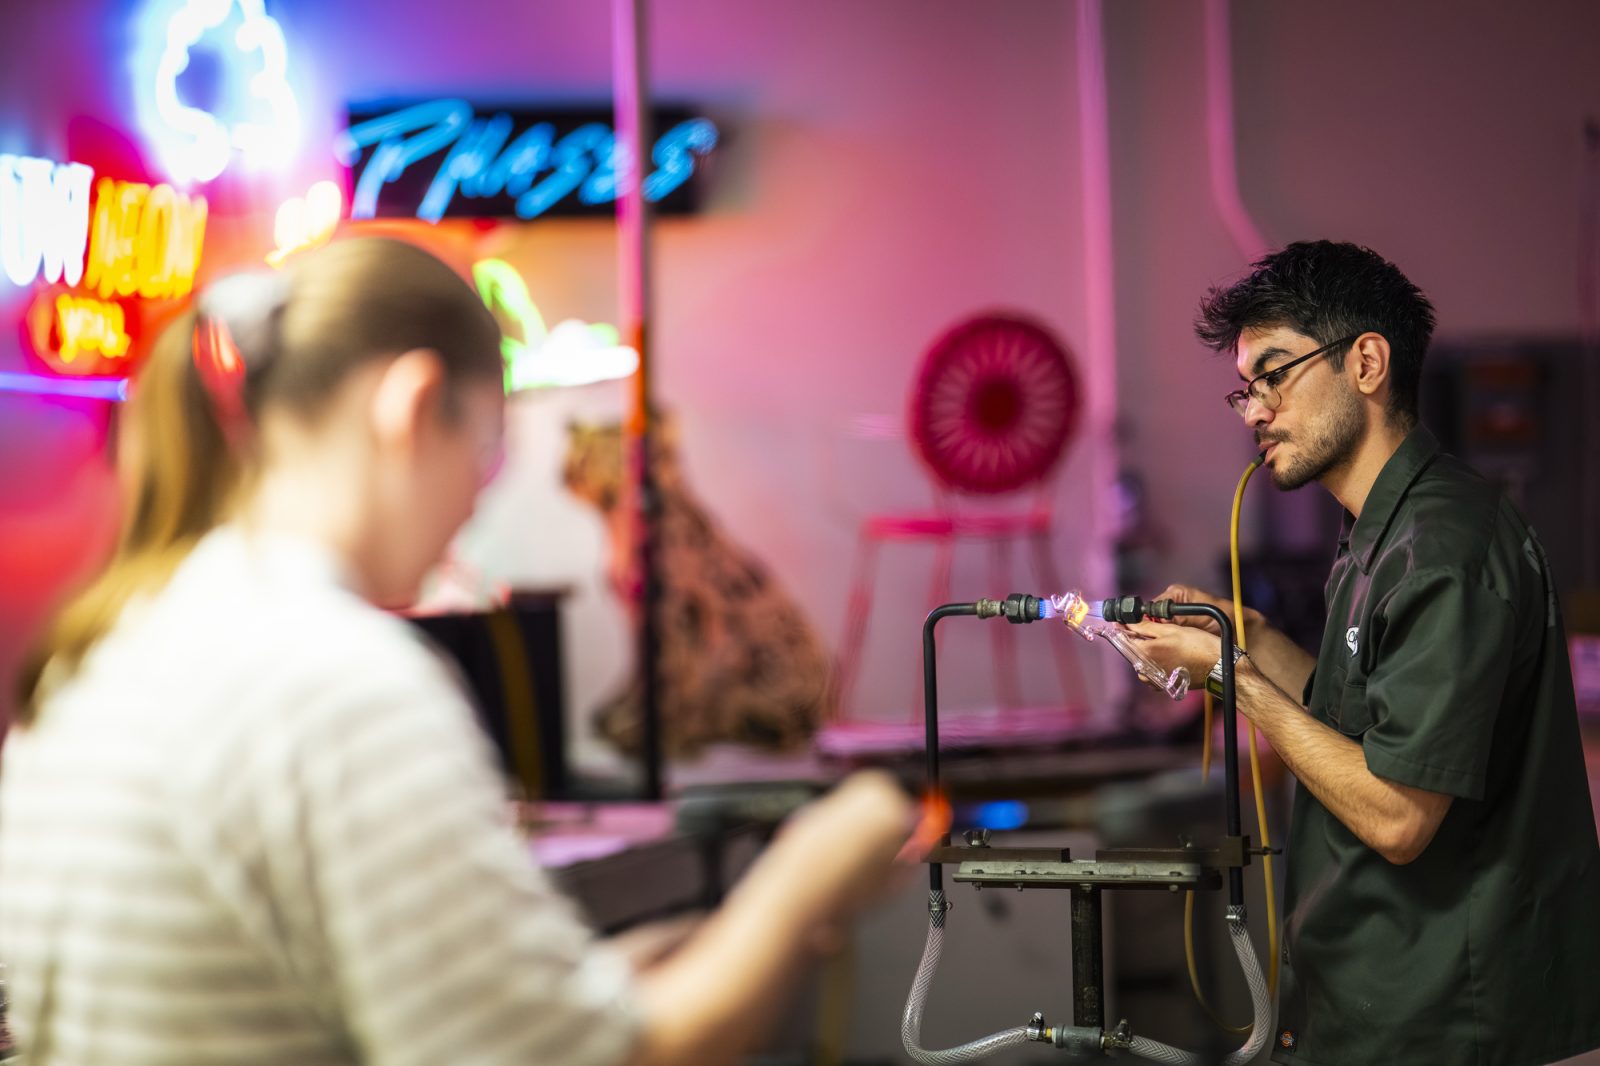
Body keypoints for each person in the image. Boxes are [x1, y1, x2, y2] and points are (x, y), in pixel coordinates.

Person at [0, 237, 915, 1065]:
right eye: (491, 449)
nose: (479, 504)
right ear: (417, 402)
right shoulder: (341, 682)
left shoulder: (100, 658)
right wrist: (808, 880)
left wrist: (601, 980)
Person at [1132, 241, 1600, 1066]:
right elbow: (1369, 727)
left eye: (1273, 373)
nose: (1253, 410)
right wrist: (1253, 640)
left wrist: (1233, 680)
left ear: (1367, 363)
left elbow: (1397, 814)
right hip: (1370, 1008)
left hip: (1446, 1021)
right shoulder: (1380, 534)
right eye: (1246, 387)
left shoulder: (1447, 545)